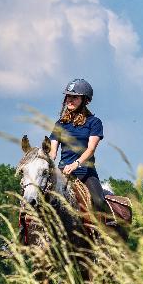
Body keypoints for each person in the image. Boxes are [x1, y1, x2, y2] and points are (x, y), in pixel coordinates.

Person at [48, 78, 108, 221]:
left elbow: (91, 149)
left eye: (75, 97)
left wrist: (76, 164)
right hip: (62, 174)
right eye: (68, 96)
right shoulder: (60, 124)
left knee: (99, 202)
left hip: (85, 173)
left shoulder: (94, 122)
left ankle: (104, 235)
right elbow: (52, 152)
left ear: (85, 100)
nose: (70, 100)